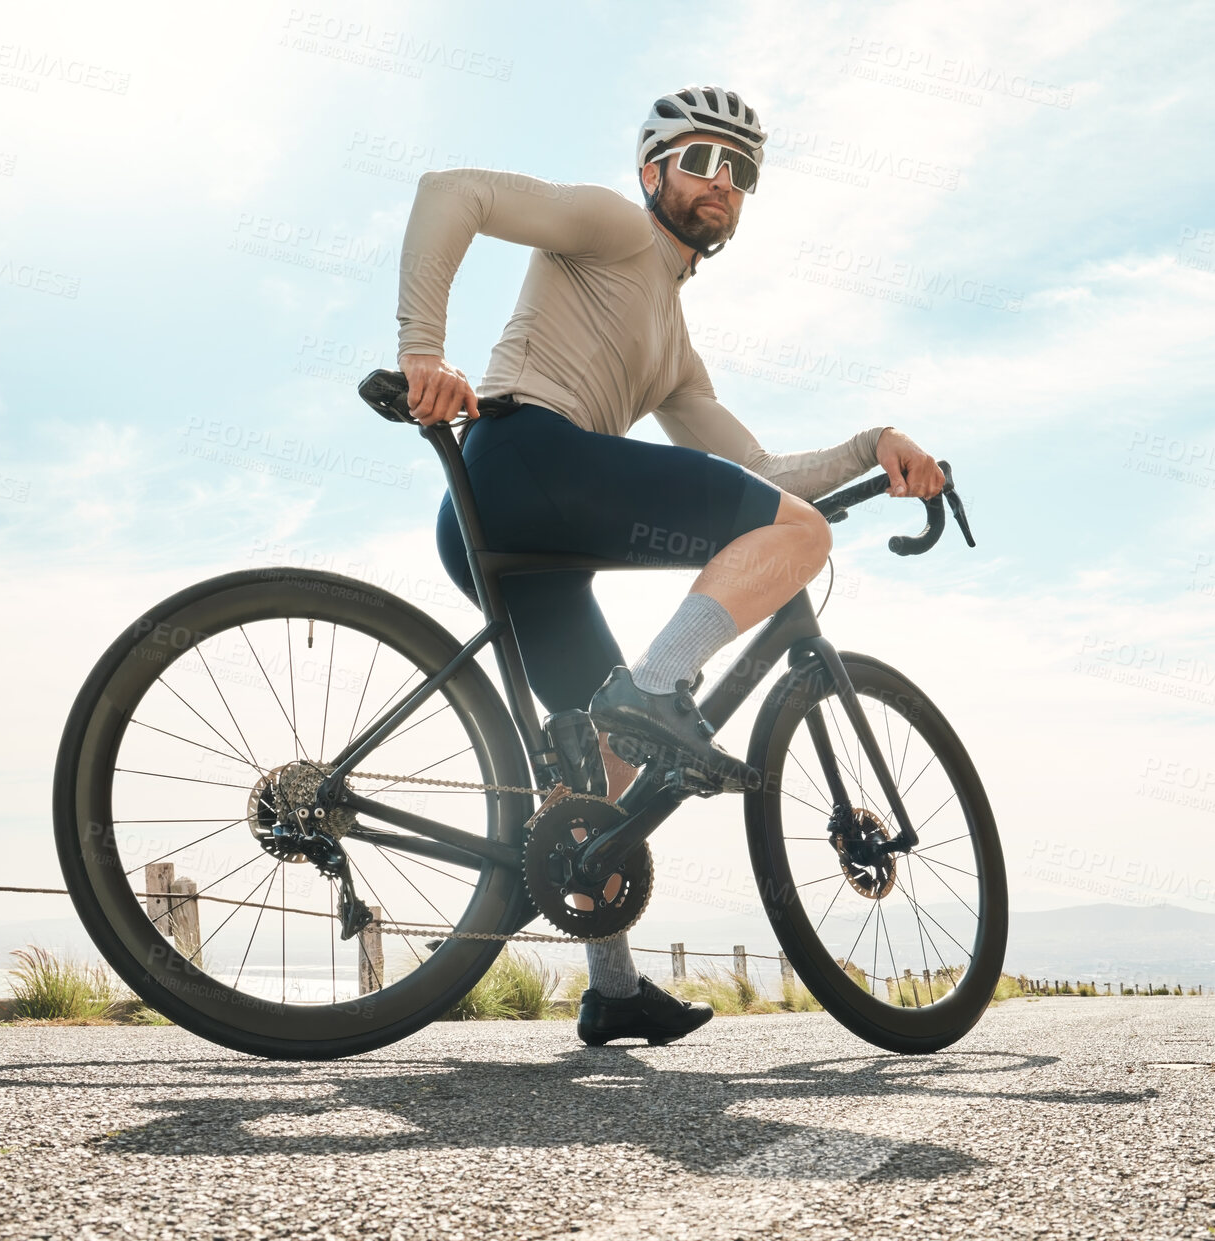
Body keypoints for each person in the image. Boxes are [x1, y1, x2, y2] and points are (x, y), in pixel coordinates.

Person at [395, 85, 945, 1047]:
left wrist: (873, 445)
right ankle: (655, 689)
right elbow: (453, 192)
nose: (720, 182)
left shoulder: (676, 354)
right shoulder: (610, 227)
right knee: (800, 540)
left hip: (515, 524)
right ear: (653, 171)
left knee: (593, 777)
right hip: (525, 454)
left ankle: (610, 987)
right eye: (700, 160)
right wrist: (422, 353)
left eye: (741, 172)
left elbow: (763, 473)